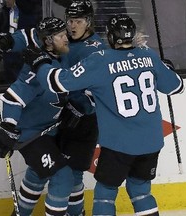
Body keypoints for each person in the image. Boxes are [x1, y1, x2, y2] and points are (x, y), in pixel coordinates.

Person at [22, 14, 184, 215]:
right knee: (141, 191)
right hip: (151, 141)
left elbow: (58, 82)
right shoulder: (149, 55)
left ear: (110, 36)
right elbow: (177, 86)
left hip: (120, 144)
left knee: (105, 193)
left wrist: (39, 63)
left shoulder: (101, 60)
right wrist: (166, 68)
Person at [0, 17, 75, 216]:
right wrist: (9, 127)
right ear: (48, 41)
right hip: (32, 136)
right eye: (62, 36)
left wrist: (9, 41)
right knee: (63, 177)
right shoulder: (36, 70)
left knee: (38, 176)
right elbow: (13, 98)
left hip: (49, 130)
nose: (67, 38)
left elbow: (28, 35)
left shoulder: (60, 56)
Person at [58, 1, 107, 215]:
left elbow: (101, 88)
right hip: (59, 115)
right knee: (57, 171)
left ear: (88, 22)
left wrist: (81, 107)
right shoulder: (61, 41)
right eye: (70, 21)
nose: (72, 26)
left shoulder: (98, 50)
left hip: (85, 122)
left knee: (74, 173)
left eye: (78, 21)